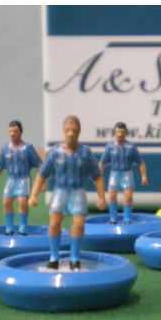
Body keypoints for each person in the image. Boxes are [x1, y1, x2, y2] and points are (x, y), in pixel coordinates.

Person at [29, 115, 106, 270]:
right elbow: (42, 174)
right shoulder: (55, 152)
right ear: (64, 130)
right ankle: (54, 258)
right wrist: (33, 195)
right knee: (54, 223)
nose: (71, 133)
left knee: (79, 224)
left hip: (78, 192)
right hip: (60, 192)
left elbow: (97, 175)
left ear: (79, 131)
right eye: (68, 130)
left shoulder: (85, 153)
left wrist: (102, 197)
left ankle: (75, 258)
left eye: (74, 130)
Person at [0, 120, 42, 236]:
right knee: (6, 202)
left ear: (20, 132)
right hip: (11, 179)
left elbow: (39, 165)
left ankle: (23, 228)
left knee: (22, 201)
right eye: (10, 131)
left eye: (15, 131)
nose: (12, 134)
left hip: (23, 179)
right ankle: (9, 228)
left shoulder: (28, 148)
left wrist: (43, 182)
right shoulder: (5, 149)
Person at [98, 122, 147, 224]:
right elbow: (102, 163)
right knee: (111, 196)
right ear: (114, 133)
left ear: (125, 133)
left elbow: (140, 163)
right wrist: (98, 176)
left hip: (127, 174)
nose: (120, 134)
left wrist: (144, 176)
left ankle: (127, 219)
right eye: (118, 132)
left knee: (128, 196)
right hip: (114, 174)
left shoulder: (131, 147)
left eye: (122, 132)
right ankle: (113, 219)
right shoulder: (110, 147)